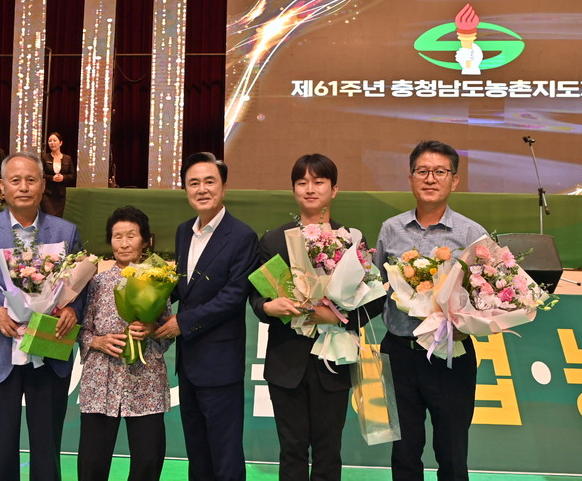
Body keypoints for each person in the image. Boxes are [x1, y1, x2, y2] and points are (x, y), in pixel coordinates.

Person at [249, 154, 383, 481]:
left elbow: (373, 298)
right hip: (286, 362)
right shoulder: (274, 239)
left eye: (319, 182)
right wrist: (268, 308)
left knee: (328, 450)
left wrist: (338, 318)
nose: (310, 189)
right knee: (291, 450)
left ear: (334, 189)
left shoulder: (351, 240)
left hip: (333, 361)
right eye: (302, 182)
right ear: (293, 189)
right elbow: (256, 295)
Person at [0, 151, 85, 481]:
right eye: (15, 180)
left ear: (43, 185)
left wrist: (72, 309)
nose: (23, 187)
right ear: (2, 186)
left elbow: (83, 287)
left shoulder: (66, 232)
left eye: (30, 180)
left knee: (47, 448)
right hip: (0, 353)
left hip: (49, 352)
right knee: (0, 448)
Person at [375, 140, 487, 481]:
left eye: (440, 171)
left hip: (450, 355)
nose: (430, 178)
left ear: (454, 180)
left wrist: (470, 321)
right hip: (400, 352)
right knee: (404, 453)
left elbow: (487, 297)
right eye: (422, 171)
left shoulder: (472, 234)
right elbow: (375, 288)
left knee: (452, 454)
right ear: (410, 178)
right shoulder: (391, 229)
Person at [154, 151, 259, 481]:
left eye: (209, 182)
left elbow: (233, 296)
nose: (202, 189)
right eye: (193, 183)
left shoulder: (242, 236)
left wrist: (182, 323)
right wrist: (150, 301)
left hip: (220, 363)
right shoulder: (184, 231)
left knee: (225, 455)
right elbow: (183, 285)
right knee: (197, 452)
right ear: (186, 190)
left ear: (224, 187)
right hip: (189, 362)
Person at [77, 205, 170, 481]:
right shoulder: (96, 282)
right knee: (92, 462)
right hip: (100, 382)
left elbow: (168, 333)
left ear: (145, 240)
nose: (124, 243)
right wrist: (97, 341)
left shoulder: (159, 279)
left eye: (131, 235)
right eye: (117, 236)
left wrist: (152, 329)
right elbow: (81, 330)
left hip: (146, 381)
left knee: (147, 461)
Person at [41, 132, 75, 217]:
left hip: (60, 195)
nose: (52, 143)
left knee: (57, 219)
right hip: (47, 194)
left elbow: (72, 175)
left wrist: (63, 177)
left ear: (60, 143)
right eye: (50, 141)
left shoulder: (67, 158)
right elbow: (40, 174)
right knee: (50, 217)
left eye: (54, 140)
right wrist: (52, 178)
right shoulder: (44, 157)